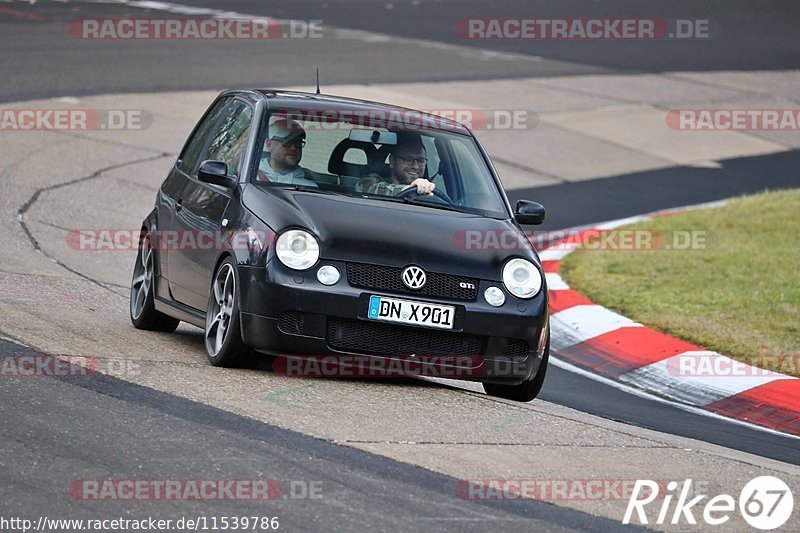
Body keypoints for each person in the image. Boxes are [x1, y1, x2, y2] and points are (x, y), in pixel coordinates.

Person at [356, 138, 435, 196]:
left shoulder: (427, 189)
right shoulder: (372, 179)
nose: (415, 166)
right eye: (408, 159)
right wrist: (408, 189)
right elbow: (368, 187)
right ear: (392, 161)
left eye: (421, 161)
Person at [257, 118, 318, 187]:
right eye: (287, 142)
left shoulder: (310, 187)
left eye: (298, 143)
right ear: (269, 144)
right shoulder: (251, 177)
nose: (293, 147)